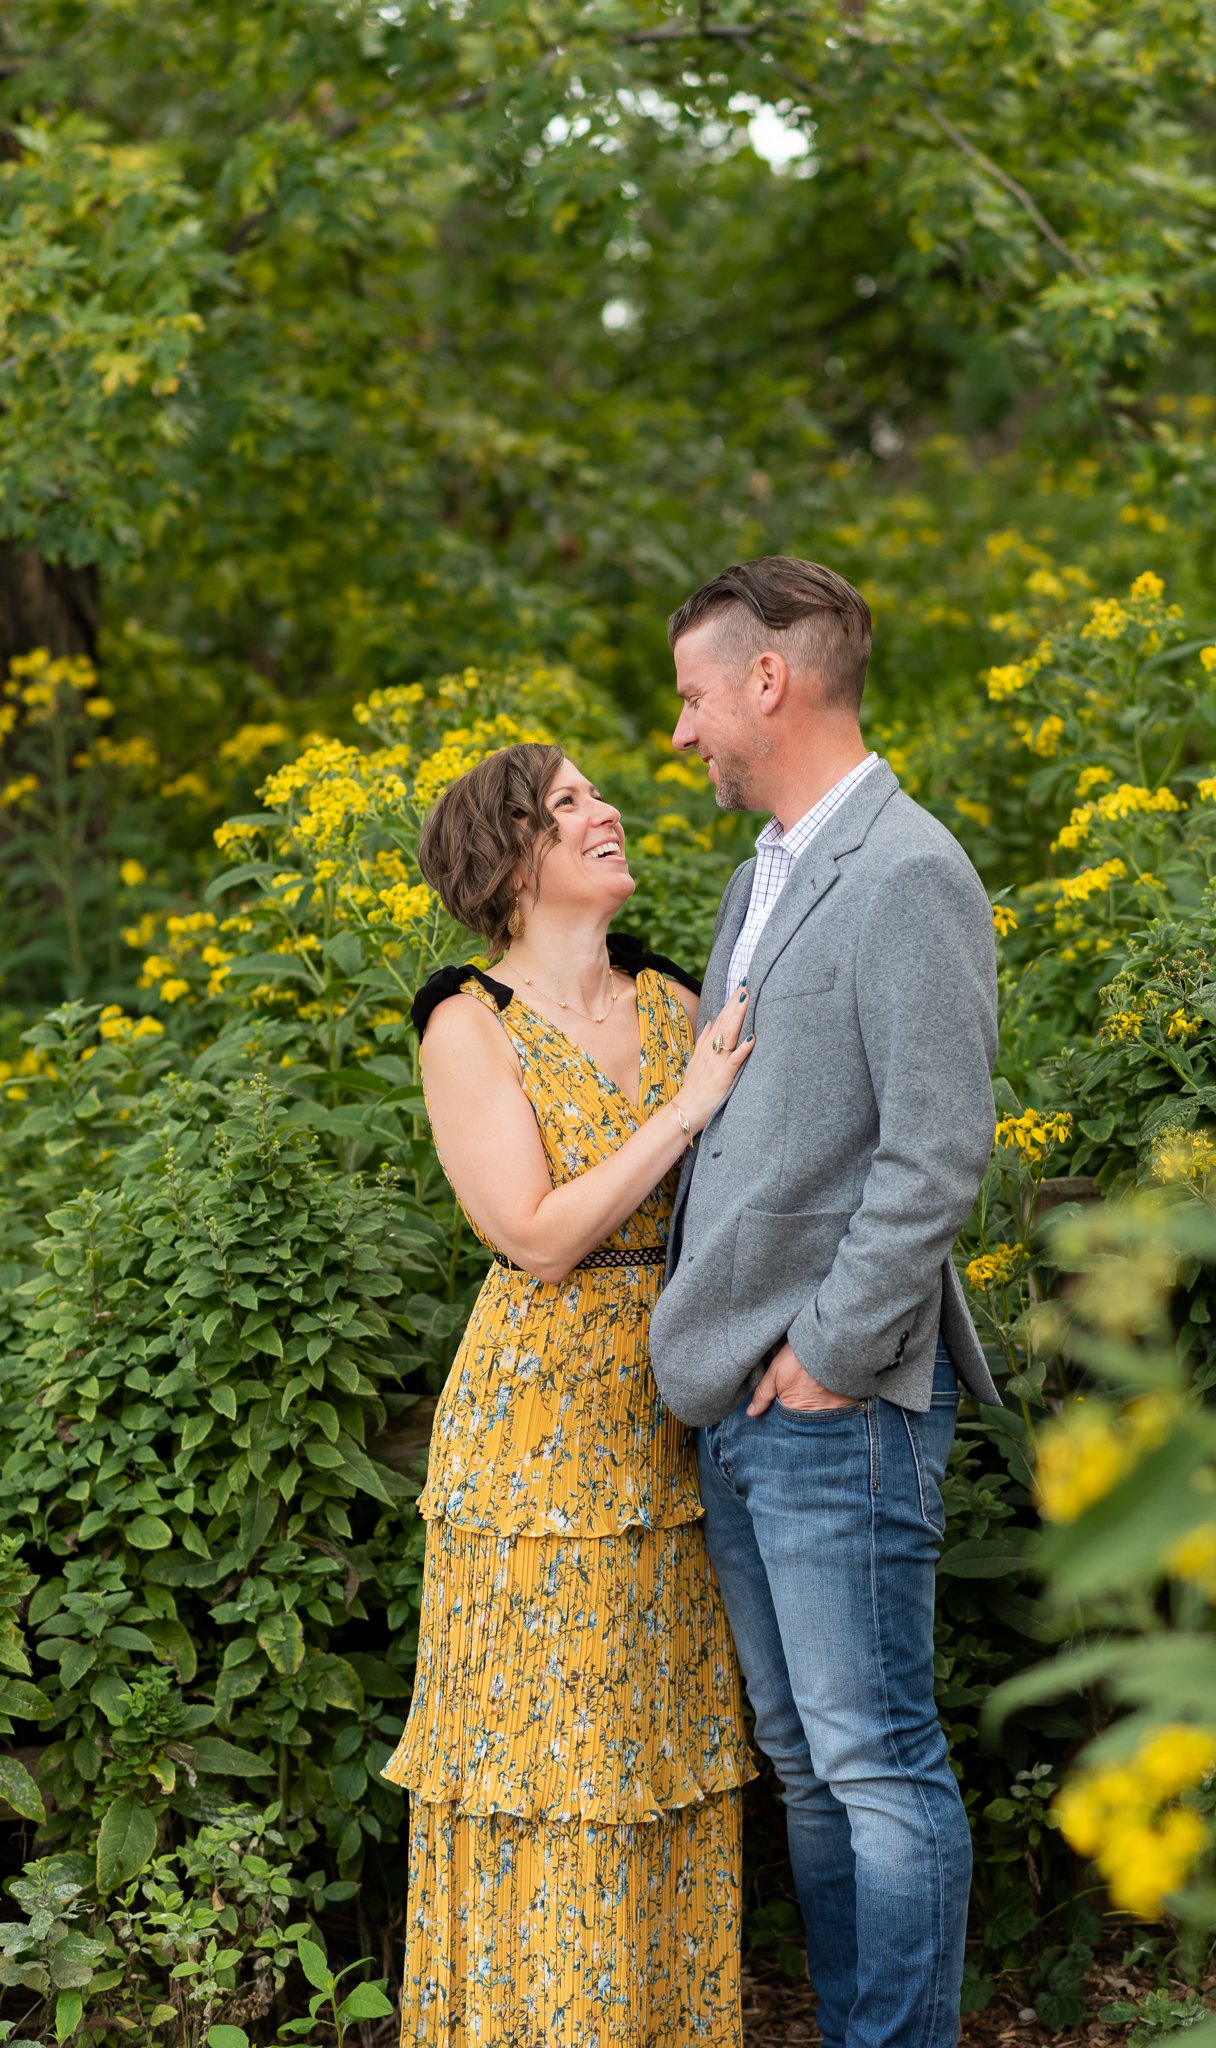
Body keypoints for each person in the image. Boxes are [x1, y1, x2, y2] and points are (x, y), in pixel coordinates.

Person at [649, 557, 1002, 2048]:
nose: (682, 736)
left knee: (878, 1763)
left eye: (692, 697)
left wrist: (830, 1359)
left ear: (769, 683)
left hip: (834, 1406)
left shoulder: (911, 871)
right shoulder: (759, 877)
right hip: (738, 1401)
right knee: (807, 1766)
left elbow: (937, 1154)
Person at [383, 742, 756, 2047]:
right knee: (555, 1767)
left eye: (601, 794)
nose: (607, 813)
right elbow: (533, 1235)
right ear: (511, 859)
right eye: (570, 804)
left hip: (680, 1408)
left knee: (659, 1757)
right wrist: (690, 1107)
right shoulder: (464, 1020)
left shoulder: (676, 997)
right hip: (540, 1440)